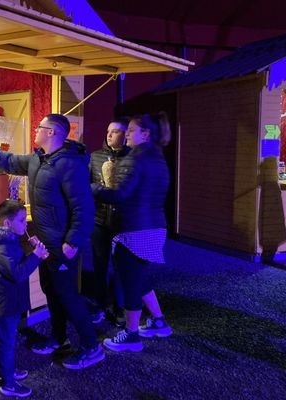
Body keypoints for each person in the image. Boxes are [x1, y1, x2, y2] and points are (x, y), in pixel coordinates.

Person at [0, 114, 104, 369]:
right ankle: (59, 338)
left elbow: (84, 207)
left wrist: (73, 241)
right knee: (51, 291)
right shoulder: (37, 159)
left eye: (40, 127)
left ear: (52, 132)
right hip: (45, 244)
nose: (35, 129)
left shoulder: (70, 164)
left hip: (63, 244)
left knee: (68, 295)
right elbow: (8, 161)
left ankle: (91, 346)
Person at [91, 112, 173, 352]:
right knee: (140, 276)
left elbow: (120, 195)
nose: (127, 134)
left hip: (135, 229)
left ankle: (131, 334)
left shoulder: (136, 158)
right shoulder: (157, 156)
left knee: (130, 283)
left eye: (131, 131)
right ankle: (159, 321)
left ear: (145, 134)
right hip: (154, 226)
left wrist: (94, 189)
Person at [0, 199, 49, 398]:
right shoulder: (2, 247)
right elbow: (17, 273)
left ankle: (8, 372)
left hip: (11, 299)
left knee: (10, 339)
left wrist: (34, 252)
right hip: (5, 302)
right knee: (7, 342)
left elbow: (17, 267)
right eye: (21, 221)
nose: (25, 224)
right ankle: (8, 383)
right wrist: (35, 255)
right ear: (7, 224)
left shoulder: (10, 241)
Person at [84, 118, 130, 326]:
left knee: (121, 266)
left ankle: (119, 306)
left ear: (125, 135)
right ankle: (100, 303)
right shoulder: (95, 157)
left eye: (115, 131)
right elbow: (87, 184)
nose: (110, 135)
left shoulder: (132, 158)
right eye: (108, 131)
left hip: (123, 221)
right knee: (100, 263)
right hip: (99, 219)